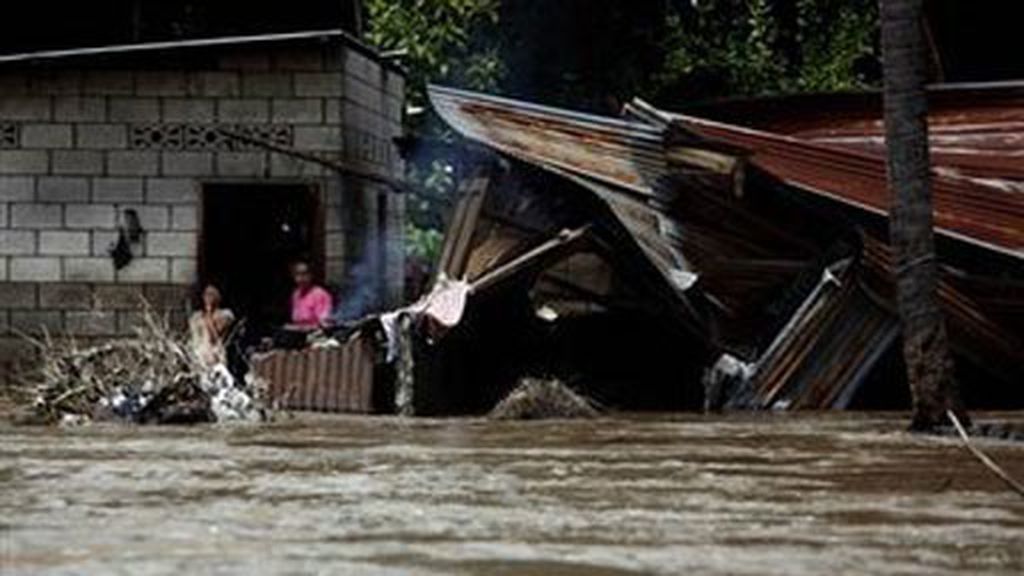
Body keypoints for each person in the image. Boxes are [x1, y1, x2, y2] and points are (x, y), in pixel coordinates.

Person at [189, 284, 235, 367]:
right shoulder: (197, 316)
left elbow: (215, 336)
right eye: (206, 294)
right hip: (201, 356)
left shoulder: (225, 315)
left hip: (215, 354)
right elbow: (194, 337)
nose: (208, 298)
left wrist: (209, 314)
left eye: (211, 294)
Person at [288, 260, 333, 330]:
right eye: (297, 274)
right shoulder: (296, 294)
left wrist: (300, 328)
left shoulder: (320, 294)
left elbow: (324, 324)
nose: (301, 278)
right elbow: (296, 320)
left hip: (317, 336)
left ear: (311, 275)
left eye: (304, 274)